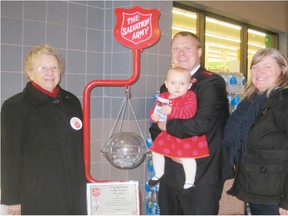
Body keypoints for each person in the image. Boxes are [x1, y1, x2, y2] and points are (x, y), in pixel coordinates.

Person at [149, 31, 234, 214]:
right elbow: (155, 125)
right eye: (176, 49)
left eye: (187, 48)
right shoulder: (168, 85)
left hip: (202, 170)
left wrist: (166, 126)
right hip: (171, 169)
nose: (181, 54)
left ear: (199, 51)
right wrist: (169, 150)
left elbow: (200, 124)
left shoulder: (211, 82)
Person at [1, 44, 87, 215]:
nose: (50, 73)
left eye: (54, 68)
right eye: (43, 68)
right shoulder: (15, 107)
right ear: (30, 73)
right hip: (39, 194)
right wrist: (12, 199)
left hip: (74, 191)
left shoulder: (71, 102)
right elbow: (9, 155)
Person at [224, 48, 288, 215]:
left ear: (282, 70)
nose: (260, 72)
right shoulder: (250, 104)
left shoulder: (283, 102)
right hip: (256, 191)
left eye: (267, 66)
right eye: (255, 66)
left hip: (276, 196)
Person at [148, 67, 209, 190]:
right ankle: (159, 173)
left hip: (184, 135)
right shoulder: (163, 97)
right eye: (173, 83)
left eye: (182, 84)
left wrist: (172, 111)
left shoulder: (189, 96)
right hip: (168, 134)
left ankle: (190, 181)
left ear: (189, 85)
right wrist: (154, 117)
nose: (177, 87)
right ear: (166, 84)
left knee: (187, 157)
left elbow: (189, 112)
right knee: (156, 150)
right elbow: (154, 112)